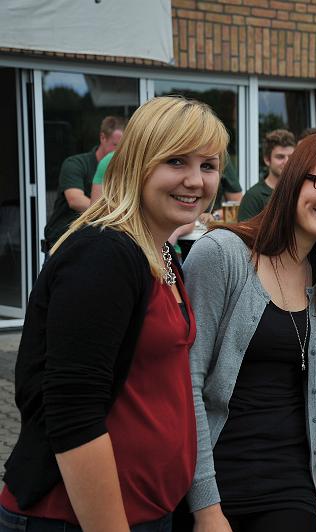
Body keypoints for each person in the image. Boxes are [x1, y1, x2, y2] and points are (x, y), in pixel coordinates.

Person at [0, 96, 228, 531]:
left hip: (150, 511)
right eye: (176, 161)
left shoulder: (162, 252)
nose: (195, 180)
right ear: (139, 163)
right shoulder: (103, 253)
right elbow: (72, 411)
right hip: (74, 519)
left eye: (208, 165)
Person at [181, 132, 316, 532]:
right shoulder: (222, 254)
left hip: (289, 490)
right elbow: (186, 382)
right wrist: (206, 508)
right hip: (213, 482)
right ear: (294, 177)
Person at [43, 115, 127, 251]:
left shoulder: (123, 170)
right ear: (103, 138)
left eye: (123, 147)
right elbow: (75, 200)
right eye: (115, 145)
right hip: (62, 244)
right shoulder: (75, 164)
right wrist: (118, 214)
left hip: (95, 243)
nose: (119, 152)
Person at [238, 129, 296, 221]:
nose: (287, 161)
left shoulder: (301, 190)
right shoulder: (253, 197)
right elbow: (244, 230)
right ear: (267, 160)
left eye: (291, 157)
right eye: (280, 157)